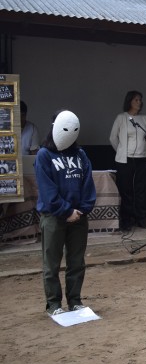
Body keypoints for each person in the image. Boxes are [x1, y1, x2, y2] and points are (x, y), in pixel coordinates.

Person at [35, 110, 96, 316]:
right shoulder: (44, 155)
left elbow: (88, 184)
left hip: (78, 216)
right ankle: (53, 304)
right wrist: (65, 210)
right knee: (51, 263)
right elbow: (47, 190)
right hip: (54, 217)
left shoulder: (81, 155)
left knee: (76, 262)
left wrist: (82, 210)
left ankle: (75, 300)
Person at [109, 90, 146, 231]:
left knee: (140, 189)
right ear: (129, 102)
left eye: (140, 100)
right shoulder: (121, 117)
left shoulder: (144, 118)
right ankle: (126, 220)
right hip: (125, 160)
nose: (139, 102)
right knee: (125, 190)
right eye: (136, 100)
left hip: (142, 158)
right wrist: (121, 151)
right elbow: (113, 138)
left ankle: (140, 218)